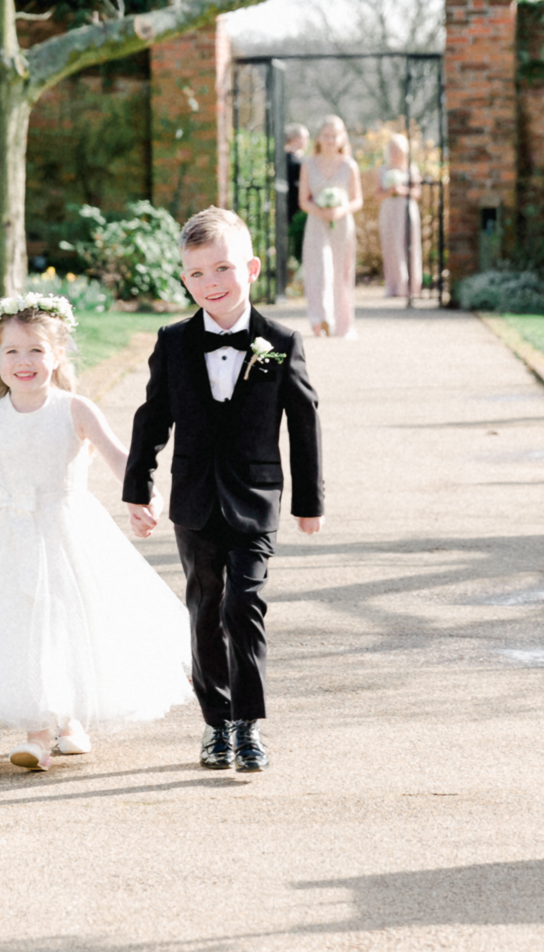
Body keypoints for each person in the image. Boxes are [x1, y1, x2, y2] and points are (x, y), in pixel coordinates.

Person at [0, 293, 191, 772]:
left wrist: (143, 496)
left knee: (70, 622)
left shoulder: (75, 408)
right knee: (23, 627)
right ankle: (36, 734)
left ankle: (73, 722)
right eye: (11, 352)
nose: (24, 361)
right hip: (12, 539)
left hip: (68, 529)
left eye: (36, 349)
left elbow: (121, 457)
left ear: (57, 355)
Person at [122, 207, 324, 773]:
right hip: (193, 501)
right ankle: (216, 724)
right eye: (197, 274)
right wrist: (138, 487)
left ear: (252, 268)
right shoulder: (174, 341)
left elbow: (304, 421)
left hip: (256, 498)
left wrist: (309, 502)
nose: (211, 284)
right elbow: (152, 418)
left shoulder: (280, 341)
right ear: (184, 279)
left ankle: (249, 725)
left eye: (223, 269)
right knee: (205, 607)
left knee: (244, 605)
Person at [299, 114, 363, 338]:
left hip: (342, 224)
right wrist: (321, 211)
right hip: (316, 223)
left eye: (335, 135)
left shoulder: (349, 165)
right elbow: (303, 200)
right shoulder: (308, 164)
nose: (330, 139)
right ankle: (319, 320)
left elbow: (358, 200)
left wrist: (339, 210)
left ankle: (344, 324)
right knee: (319, 270)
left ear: (342, 138)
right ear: (319, 137)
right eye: (326, 135)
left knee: (341, 272)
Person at [378, 133, 423, 298]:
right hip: (389, 210)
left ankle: (411, 286)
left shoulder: (411, 168)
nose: (395, 152)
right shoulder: (383, 169)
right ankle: (394, 285)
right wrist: (389, 191)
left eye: (398, 149)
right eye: (392, 149)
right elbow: (376, 195)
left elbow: (417, 193)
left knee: (409, 246)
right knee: (391, 247)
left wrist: (401, 190)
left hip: (406, 209)